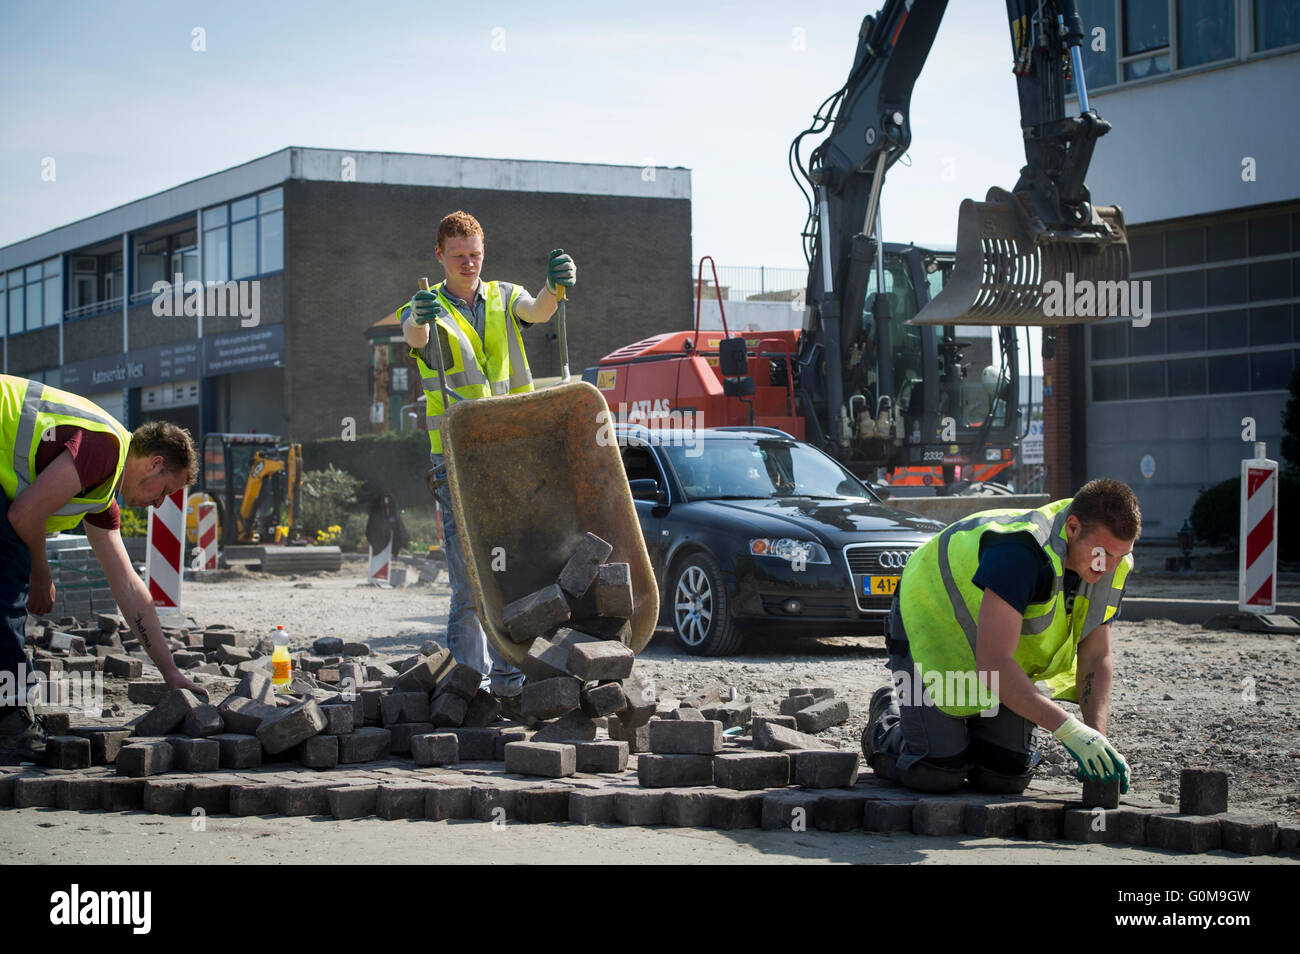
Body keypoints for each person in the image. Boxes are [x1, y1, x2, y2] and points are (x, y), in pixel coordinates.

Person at [864, 477, 1138, 795]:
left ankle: (968, 733)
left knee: (1005, 777)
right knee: (935, 771)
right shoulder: (1021, 552)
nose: (1111, 566)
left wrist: (1095, 740)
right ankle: (888, 716)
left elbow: (1096, 656)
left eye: (1122, 555)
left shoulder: (1110, 563)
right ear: (1073, 528)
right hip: (930, 625)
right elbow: (993, 664)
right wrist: (1069, 730)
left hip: (995, 656)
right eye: (1104, 554)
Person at [400, 211, 575, 703]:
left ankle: (509, 683)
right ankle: (465, 690)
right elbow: (413, 339)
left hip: (510, 455)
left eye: (475, 254)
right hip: (455, 459)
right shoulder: (424, 305)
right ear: (440, 256)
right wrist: (417, 317)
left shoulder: (503, 295)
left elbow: (539, 311)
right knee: (468, 582)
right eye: (458, 256)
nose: (469, 263)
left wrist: (554, 286)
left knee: (512, 574)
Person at [1, 374, 205, 763]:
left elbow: (129, 587)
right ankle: (9, 723)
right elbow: (24, 514)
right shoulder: (104, 448)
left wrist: (170, 673)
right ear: (154, 463)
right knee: (9, 581)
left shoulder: (99, 493)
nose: (160, 504)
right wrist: (40, 573)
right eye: (163, 491)